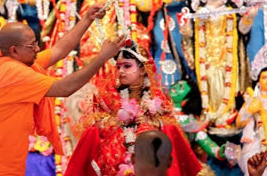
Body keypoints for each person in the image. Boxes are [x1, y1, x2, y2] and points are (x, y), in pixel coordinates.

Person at [0, 4, 125, 176]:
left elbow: (58, 50)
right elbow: (65, 88)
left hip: (0, 161)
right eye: (32, 46)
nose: (37, 49)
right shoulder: (14, 74)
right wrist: (102, 58)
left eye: (36, 43)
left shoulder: (10, 62)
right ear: (14, 50)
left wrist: (87, 19)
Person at [65, 38, 203, 176]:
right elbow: (94, 123)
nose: (121, 71)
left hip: (149, 155)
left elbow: (171, 124)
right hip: (115, 155)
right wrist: (116, 121)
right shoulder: (109, 95)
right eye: (118, 67)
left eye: (127, 66)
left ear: (142, 69)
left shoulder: (157, 96)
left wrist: (151, 122)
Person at [178, 0, 258, 131]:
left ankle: (227, 116)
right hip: (206, 61)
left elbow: (243, 30)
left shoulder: (230, 10)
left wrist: (249, 18)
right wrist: (184, 27)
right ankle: (209, 116)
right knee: (209, 90)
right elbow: (188, 37)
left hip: (227, 60)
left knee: (227, 90)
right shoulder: (198, 13)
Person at [236, 44, 267, 176]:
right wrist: (249, 110)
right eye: (264, 77)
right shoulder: (253, 99)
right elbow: (239, 123)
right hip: (257, 143)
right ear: (258, 81)